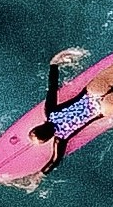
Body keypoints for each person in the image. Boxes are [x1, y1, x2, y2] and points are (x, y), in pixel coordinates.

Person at [28, 46, 96, 174]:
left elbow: (55, 160)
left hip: (101, 109)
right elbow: (52, 87)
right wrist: (54, 65)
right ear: (40, 125)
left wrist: (41, 174)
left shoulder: (61, 138)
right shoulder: (51, 112)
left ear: (50, 138)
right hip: (92, 91)